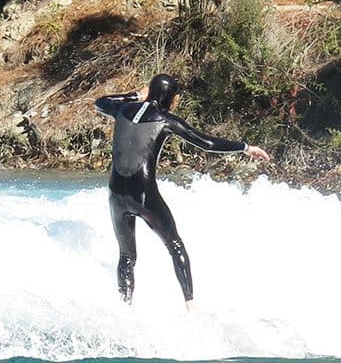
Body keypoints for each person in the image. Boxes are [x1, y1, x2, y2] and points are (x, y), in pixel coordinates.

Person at [95, 74, 270, 306]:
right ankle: (191, 307)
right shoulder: (166, 119)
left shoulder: (123, 109)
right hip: (144, 196)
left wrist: (135, 95)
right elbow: (206, 143)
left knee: (127, 256)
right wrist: (245, 147)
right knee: (174, 244)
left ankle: (124, 308)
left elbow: (101, 101)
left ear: (151, 91)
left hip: (116, 196)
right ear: (171, 97)